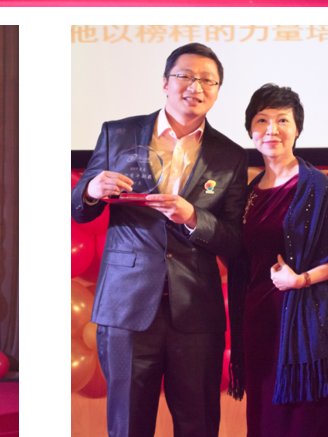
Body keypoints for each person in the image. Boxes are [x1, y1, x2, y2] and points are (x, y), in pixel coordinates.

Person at [71, 43, 249, 437]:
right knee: (129, 425)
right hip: (127, 306)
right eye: (185, 76)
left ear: (217, 91)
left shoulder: (230, 155)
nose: (196, 87)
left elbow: (234, 240)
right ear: (165, 83)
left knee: (198, 424)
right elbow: (80, 209)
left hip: (196, 311)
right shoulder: (118, 133)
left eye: (207, 80)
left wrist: (193, 218)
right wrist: (91, 189)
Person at [226, 84, 328, 437]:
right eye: (262, 120)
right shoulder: (249, 192)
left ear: (297, 129)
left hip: (306, 325)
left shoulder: (316, 186)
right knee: (264, 422)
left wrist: (300, 280)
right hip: (259, 322)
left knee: (306, 421)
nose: (271, 129)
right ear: (250, 131)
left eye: (282, 120)